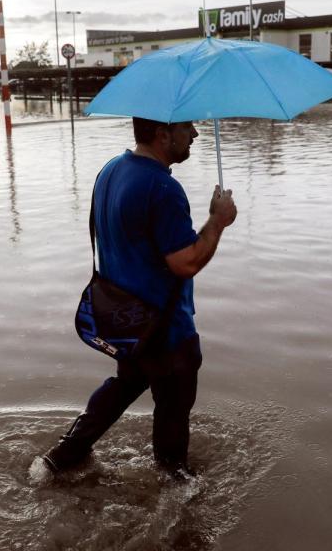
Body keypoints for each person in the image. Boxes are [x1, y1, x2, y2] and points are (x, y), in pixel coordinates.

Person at [42, 117, 237, 478]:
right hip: (164, 327)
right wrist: (217, 221)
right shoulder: (161, 187)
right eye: (187, 128)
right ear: (163, 134)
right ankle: (174, 491)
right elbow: (186, 262)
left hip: (124, 318)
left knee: (127, 381)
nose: (194, 134)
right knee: (173, 410)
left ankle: (60, 458)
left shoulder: (111, 170)